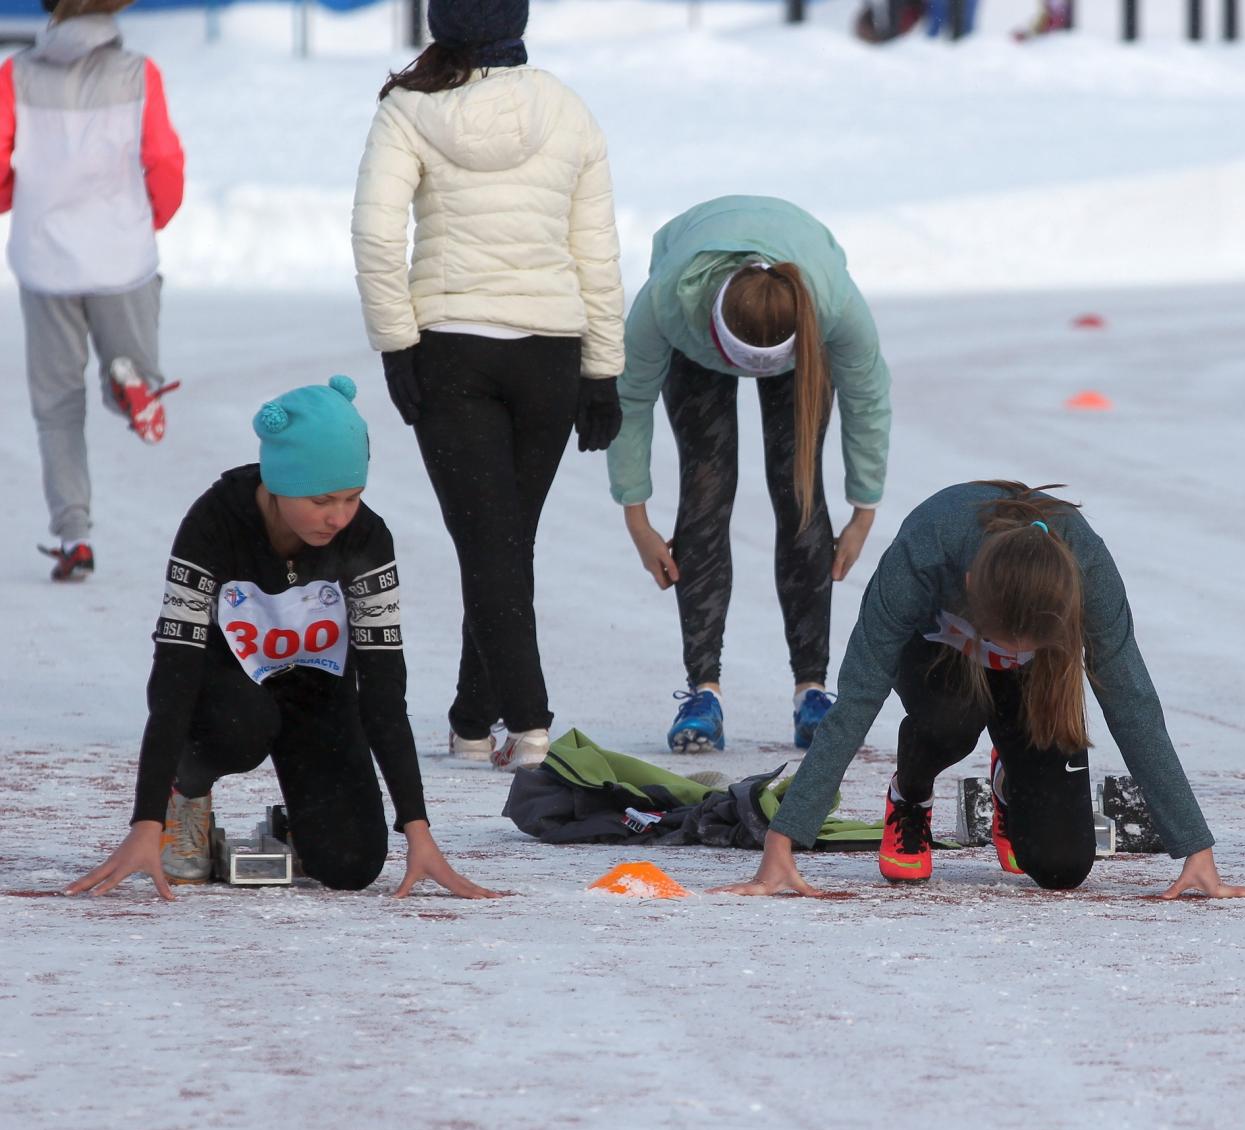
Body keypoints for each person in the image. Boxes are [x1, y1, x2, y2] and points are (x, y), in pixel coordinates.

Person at [712, 482, 1245, 900]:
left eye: (1024, 647)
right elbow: (858, 697)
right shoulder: (924, 553)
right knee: (953, 719)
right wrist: (785, 839)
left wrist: (1195, 847)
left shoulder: (1088, 571)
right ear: (971, 586)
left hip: (1037, 682)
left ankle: (1010, 778)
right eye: (1004, 643)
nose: (1009, 657)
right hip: (941, 663)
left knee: (1062, 868)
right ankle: (910, 793)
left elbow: (1132, 702)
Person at [66, 377, 500, 902]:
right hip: (227, 696)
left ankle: (305, 819)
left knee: (352, 866)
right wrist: (147, 818)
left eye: (353, 497)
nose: (339, 517)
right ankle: (189, 791)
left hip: (316, 693)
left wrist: (418, 829)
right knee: (242, 726)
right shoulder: (213, 523)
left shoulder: (366, 537)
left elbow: (385, 692)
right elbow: (175, 674)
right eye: (321, 500)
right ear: (277, 484)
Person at [351, 0, 624, 771]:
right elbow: (596, 249)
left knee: (492, 545)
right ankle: (472, 719)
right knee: (501, 543)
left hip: (452, 351)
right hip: (551, 354)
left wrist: (396, 344)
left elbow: (376, 234)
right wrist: (602, 368)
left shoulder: (408, 109)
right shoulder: (567, 110)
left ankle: (528, 723)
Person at [608, 196, 891, 755]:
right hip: (696, 334)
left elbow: (868, 398)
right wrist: (636, 517)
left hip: (797, 323)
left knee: (799, 489)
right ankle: (703, 693)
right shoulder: (667, 302)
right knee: (706, 488)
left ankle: (812, 691)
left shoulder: (833, 304)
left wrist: (864, 511)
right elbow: (630, 397)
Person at [1, 0, 183, 583]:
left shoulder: (15, 75)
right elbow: (163, 159)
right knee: (135, 365)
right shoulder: (138, 72)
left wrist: (14, 199)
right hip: (120, 255)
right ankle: (132, 384)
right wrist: (152, 216)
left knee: (57, 406)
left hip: (45, 261)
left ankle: (74, 534)